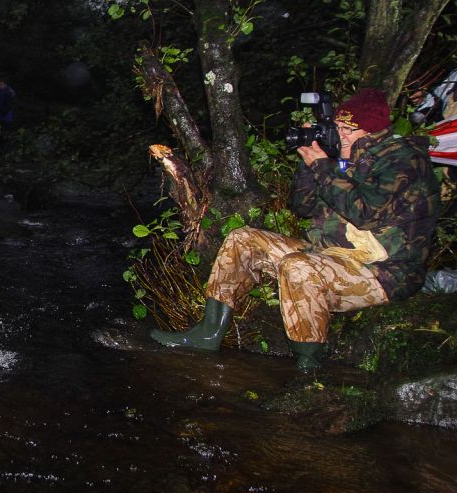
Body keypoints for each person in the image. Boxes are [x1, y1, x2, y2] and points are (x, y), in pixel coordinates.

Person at [150, 87, 441, 371]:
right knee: (242, 239)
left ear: (373, 132)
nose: (340, 135)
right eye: (338, 127)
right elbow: (303, 206)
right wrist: (309, 162)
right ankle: (208, 333)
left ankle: (308, 364)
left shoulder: (403, 160)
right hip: (332, 255)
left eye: (348, 130)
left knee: (297, 266)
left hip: (384, 272)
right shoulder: (344, 156)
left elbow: (365, 214)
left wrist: (323, 167)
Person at [0, 79, 15, 151]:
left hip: (5, 115)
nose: (0, 86)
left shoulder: (7, 93)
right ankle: (0, 148)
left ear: (5, 85)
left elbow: (8, 106)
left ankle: (6, 148)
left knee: (5, 131)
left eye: (2, 84)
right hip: (0, 115)